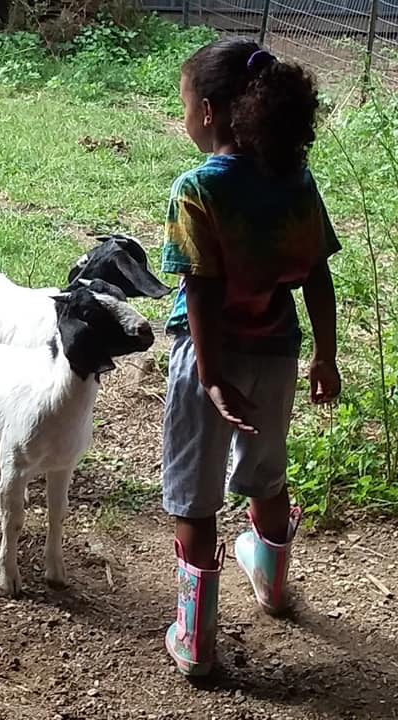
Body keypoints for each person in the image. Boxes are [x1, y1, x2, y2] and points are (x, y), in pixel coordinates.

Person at [160, 37, 342, 676]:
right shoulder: (295, 179)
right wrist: (326, 354)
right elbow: (316, 271)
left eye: (182, 103)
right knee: (266, 470)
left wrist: (209, 376)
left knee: (194, 494)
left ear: (208, 112)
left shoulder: (198, 189)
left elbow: (201, 287)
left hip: (206, 359)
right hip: (276, 352)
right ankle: (271, 580)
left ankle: (197, 640)